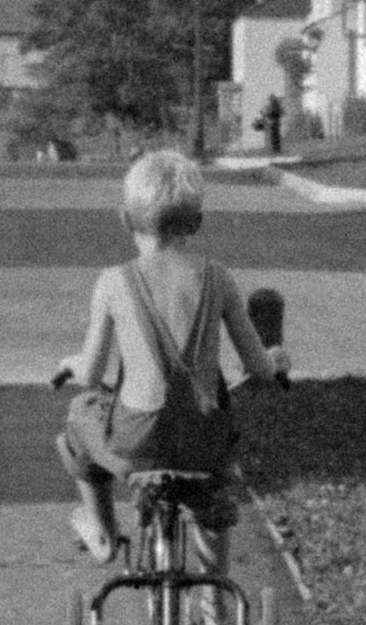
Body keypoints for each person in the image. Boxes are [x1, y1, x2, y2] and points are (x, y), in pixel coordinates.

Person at [56, 148, 285, 562]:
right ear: (197, 222)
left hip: (136, 444)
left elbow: (90, 374)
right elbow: (258, 368)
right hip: (203, 442)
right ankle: (215, 594)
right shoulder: (220, 279)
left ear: (125, 219)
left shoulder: (113, 282)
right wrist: (276, 360)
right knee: (213, 483)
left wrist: (72, 364)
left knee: (78, 419)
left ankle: (103, 531)